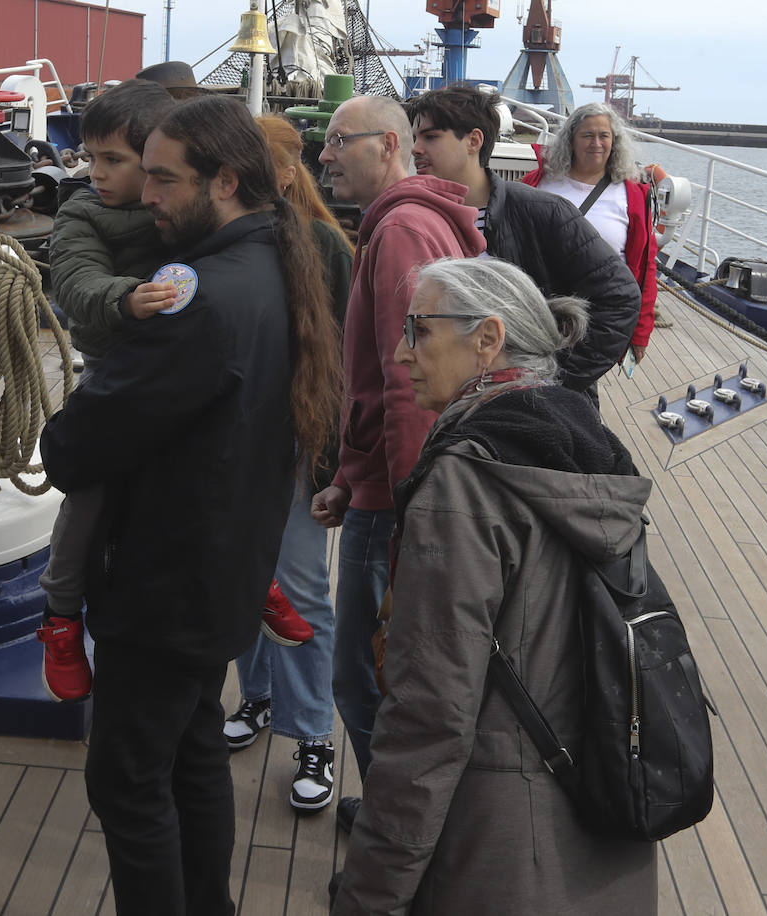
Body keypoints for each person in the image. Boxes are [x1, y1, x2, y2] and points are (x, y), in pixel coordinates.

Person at [40, 95, 341, 915]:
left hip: (166, 584)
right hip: (225, 574)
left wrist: (66, 428)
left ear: (226, 181)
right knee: (193, 751)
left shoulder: (200, 301)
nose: (147, 196)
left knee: (129, 780)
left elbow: (78, 446)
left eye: (166, 180)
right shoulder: (277, 266)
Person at [331, 256, 657, 914]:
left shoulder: (463, 486)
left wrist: (370, 895)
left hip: (498, 849)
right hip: (603, 834)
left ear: (488, 339)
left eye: (418, 330)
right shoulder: (591, 448)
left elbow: (428, 719)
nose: (399, 354)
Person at [310, 95, 484, 833]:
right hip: (381, 489)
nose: (324, 156)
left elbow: (413, 381)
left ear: (387, 145)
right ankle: (404, 816)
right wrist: (349, 476)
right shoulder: (408, 224)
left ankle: (402, 833)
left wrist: (412, 511)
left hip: (400, 502)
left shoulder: (402, 232)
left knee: (366, 676)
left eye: (337, 141)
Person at [222, 114, 353, 813]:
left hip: (297, 441)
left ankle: (313, 735)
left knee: (300, 589)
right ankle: (259, 695)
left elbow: (343, 359)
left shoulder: (327, 246)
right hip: (236, 445)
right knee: (245, 577)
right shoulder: (224, 241)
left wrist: (333, 456)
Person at [35, 78, 178, 701]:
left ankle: (255, 585)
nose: (96, 172)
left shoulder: (179, 205)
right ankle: (61, 617)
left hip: (179, 378)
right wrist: (124, 298)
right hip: (115, 380)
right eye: (91, 157)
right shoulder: (81, 212)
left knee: (211, 480)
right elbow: (72, 280)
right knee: (88, 497)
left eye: (112, 159)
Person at [404, 85, 641, 399]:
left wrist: (552, 377)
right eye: (415, 137)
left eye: (431, 137)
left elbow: (620, 296)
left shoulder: (542, 212)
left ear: (474, 141)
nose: (416, 149)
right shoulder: (416, 219)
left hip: (529, 408)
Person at [522, 102, 658, 364]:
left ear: (614, 141)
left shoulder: (632, 195)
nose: (596, 143)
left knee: (580, 387)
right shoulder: (539, 183)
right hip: (541, 311)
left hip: (603, 317)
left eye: (604, 135)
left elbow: (645, 267)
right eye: (587, 135)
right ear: (571, 139)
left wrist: (640, 332)